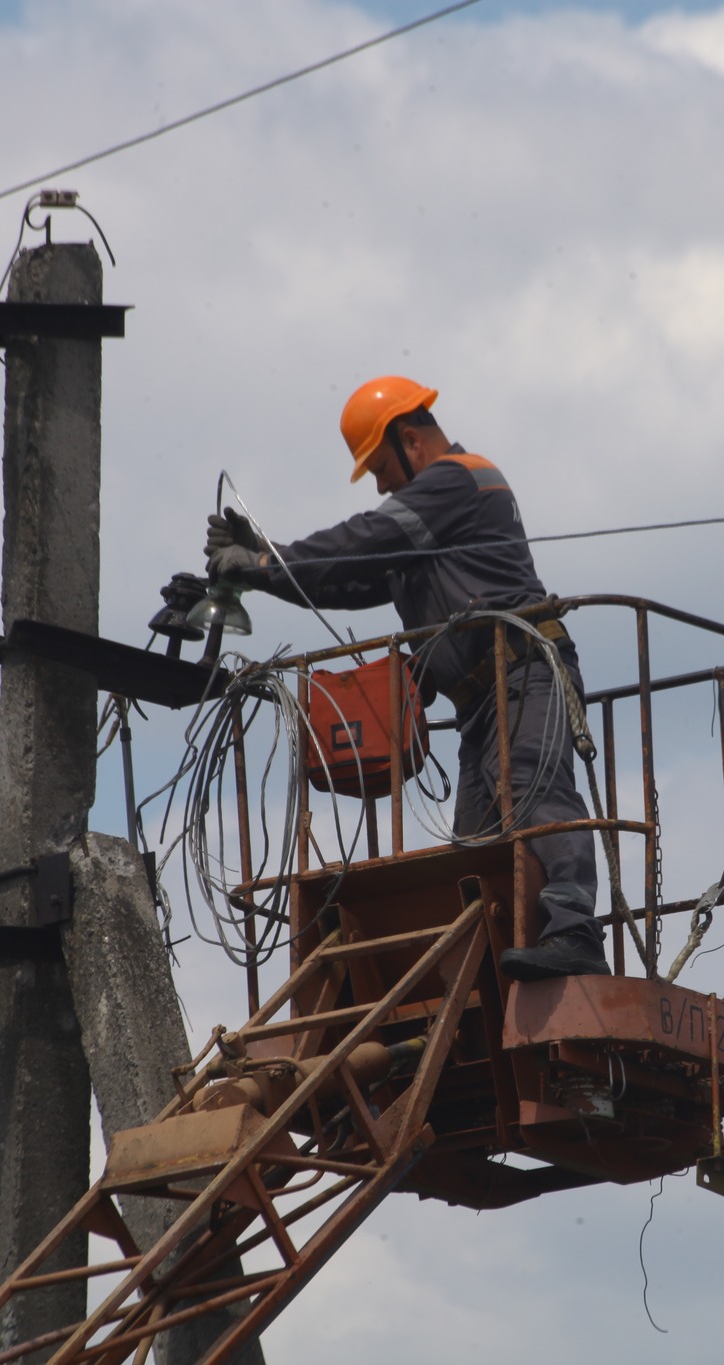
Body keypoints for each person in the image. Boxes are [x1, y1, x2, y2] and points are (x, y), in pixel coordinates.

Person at [205, 376, 608, 981]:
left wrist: (262, 562)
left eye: (379, 467)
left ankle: (574, 933)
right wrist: (264, 562)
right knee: (475, 848)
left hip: (525, 678)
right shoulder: (426, 525)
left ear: (410, 440)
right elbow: (343, 579)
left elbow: (362, 539)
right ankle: (490, 976)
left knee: (535, 794)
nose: (380, 483)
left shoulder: (459, 480)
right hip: (484, 704)